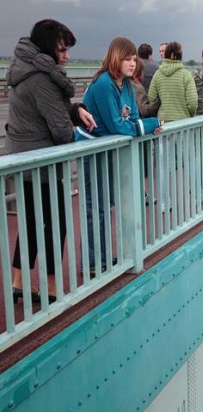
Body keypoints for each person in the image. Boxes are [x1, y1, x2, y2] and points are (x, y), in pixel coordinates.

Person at [6, 19, 96, 303]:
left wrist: (76, 109)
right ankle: (53, 288)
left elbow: (48, 109)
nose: (66, 55)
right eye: (62, 49)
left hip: (24, 158)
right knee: (56, 225)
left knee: (32, 222)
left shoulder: (24, 69)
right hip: (42, 161)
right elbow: (59, 130)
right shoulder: (43, 78)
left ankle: (19, 283)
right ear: (48, 47)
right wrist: (73, 129)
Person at [74, 37, 163, 275]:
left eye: (134, 59)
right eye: (127, 59)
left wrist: (139, 125)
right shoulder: (104, 84)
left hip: (108, 150)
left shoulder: (126, 86)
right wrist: (150, 124)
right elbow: (116, 125)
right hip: (92, 149)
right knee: (97, 207)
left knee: (109, 205)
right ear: (116, 58)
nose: (133, 64)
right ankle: (93, 263)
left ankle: (104, 257)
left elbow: (132, 118)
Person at [149, 41, 198, 121]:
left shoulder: (157, 74)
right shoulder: (186, 75)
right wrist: (188, 115)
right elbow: (192, 103)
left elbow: (151, 98)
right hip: (183, 122)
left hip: (162, 123)